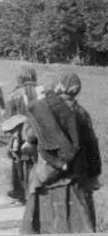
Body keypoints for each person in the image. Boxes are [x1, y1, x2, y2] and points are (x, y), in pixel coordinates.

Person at [20, 71, 101, 234]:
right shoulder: (82, 113)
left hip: (49, 175)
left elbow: (30, 136)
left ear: (59, 87)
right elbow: (92, 146)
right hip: (77, 176)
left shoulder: (45, 107)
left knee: (45, 224)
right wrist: (94, 174)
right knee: (78, 226)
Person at [3, 65, 41, 203]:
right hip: (39, 132)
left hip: (19, 134)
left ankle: (20, 193)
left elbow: (7, 117)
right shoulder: (41, 91)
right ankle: (35, 194)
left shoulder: (14, 93)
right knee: (36, 162)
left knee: (18, 162)